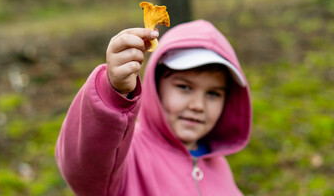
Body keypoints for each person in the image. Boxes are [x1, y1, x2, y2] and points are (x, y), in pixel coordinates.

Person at [55, 19, 252, 195]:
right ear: (155, 86)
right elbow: (86, 169)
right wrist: (113, 93)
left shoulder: (218, 164)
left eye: (213, 94)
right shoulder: (125, 155)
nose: (198, 105)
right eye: (184, 87)